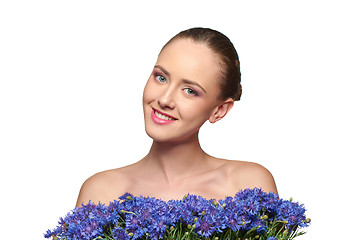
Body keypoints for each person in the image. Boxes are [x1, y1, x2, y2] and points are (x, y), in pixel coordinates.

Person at [75, 27, 277, 207]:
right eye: (161, 78)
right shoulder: (101, 192)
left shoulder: (248, 186)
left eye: (190, 91)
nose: (164, 99)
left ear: (219, 110)